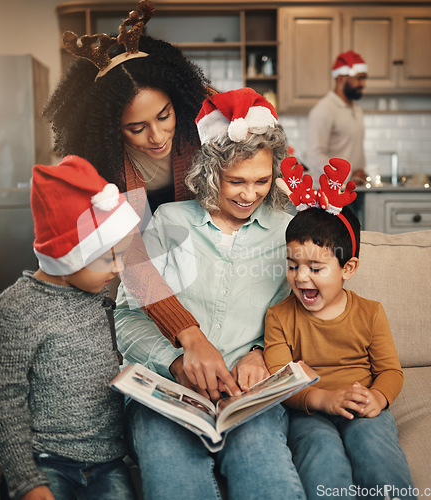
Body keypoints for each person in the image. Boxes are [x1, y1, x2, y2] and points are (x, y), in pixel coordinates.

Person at [43, 0, 239, 402]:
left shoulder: (202, 119)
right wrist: (188, 333)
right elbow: (130, 255)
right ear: (111, 128)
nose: (157, 136)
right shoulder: (99, 166)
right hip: (138, 270)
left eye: (164, 115)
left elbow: (262, 163)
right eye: (136, 127)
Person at [115, 88, 305, 500]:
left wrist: (260, 352)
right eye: (235, 180)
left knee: (265, 470)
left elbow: (295, 316)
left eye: (261, 180)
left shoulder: (285, 233)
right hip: (168, 394)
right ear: (209, 172)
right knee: (172, 474)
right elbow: (128, 317)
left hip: (247, 397)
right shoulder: (168, 221)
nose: (249, 194)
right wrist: (176, 361)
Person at [0, 156, 141, 500]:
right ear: (66, 255)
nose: (119, 268)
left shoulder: (97, 294)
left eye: (122, 254)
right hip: (46, 461)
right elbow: (2, 401)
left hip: (108, 462)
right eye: (107, 258)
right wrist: (28, 482)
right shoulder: (16, 309)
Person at [264, 158, 415, 499]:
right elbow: (281, 380)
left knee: (375, 449)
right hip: (309, 411)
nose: (301, 277)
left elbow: (391, 370)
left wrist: (378, 396)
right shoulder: (279, 316)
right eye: (292, 265)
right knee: (322, 455)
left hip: (362, 406)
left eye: (315, 267)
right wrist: (323, 399)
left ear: (348, 268)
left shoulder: (371, 313)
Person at [305, 50, 368, 186]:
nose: (363, 84)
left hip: (354, 189)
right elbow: (314, 155)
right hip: (329, 193)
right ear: (341, 78)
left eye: (364, 78)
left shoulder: (356, 109)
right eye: (359, 78)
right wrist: (348, 176)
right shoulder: (324, 110)